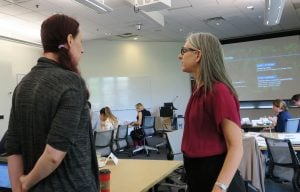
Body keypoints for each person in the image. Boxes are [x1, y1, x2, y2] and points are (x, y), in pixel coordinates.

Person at [5, 14, 99, 192]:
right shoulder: (71, 83)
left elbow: (13, 147)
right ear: (70, 40)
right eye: (81, 41)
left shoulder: (23, 85)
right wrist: (26, 183)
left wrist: (18, 187)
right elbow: (54, 154)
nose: (83, 49)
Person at [178, 32, 245, 192]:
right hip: (198, 174)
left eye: (183, 50)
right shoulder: (199, 90)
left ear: (198, 55)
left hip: (215, 176)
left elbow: (236, 146)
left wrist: (219, 187)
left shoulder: (218, 91)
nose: (179, 56)